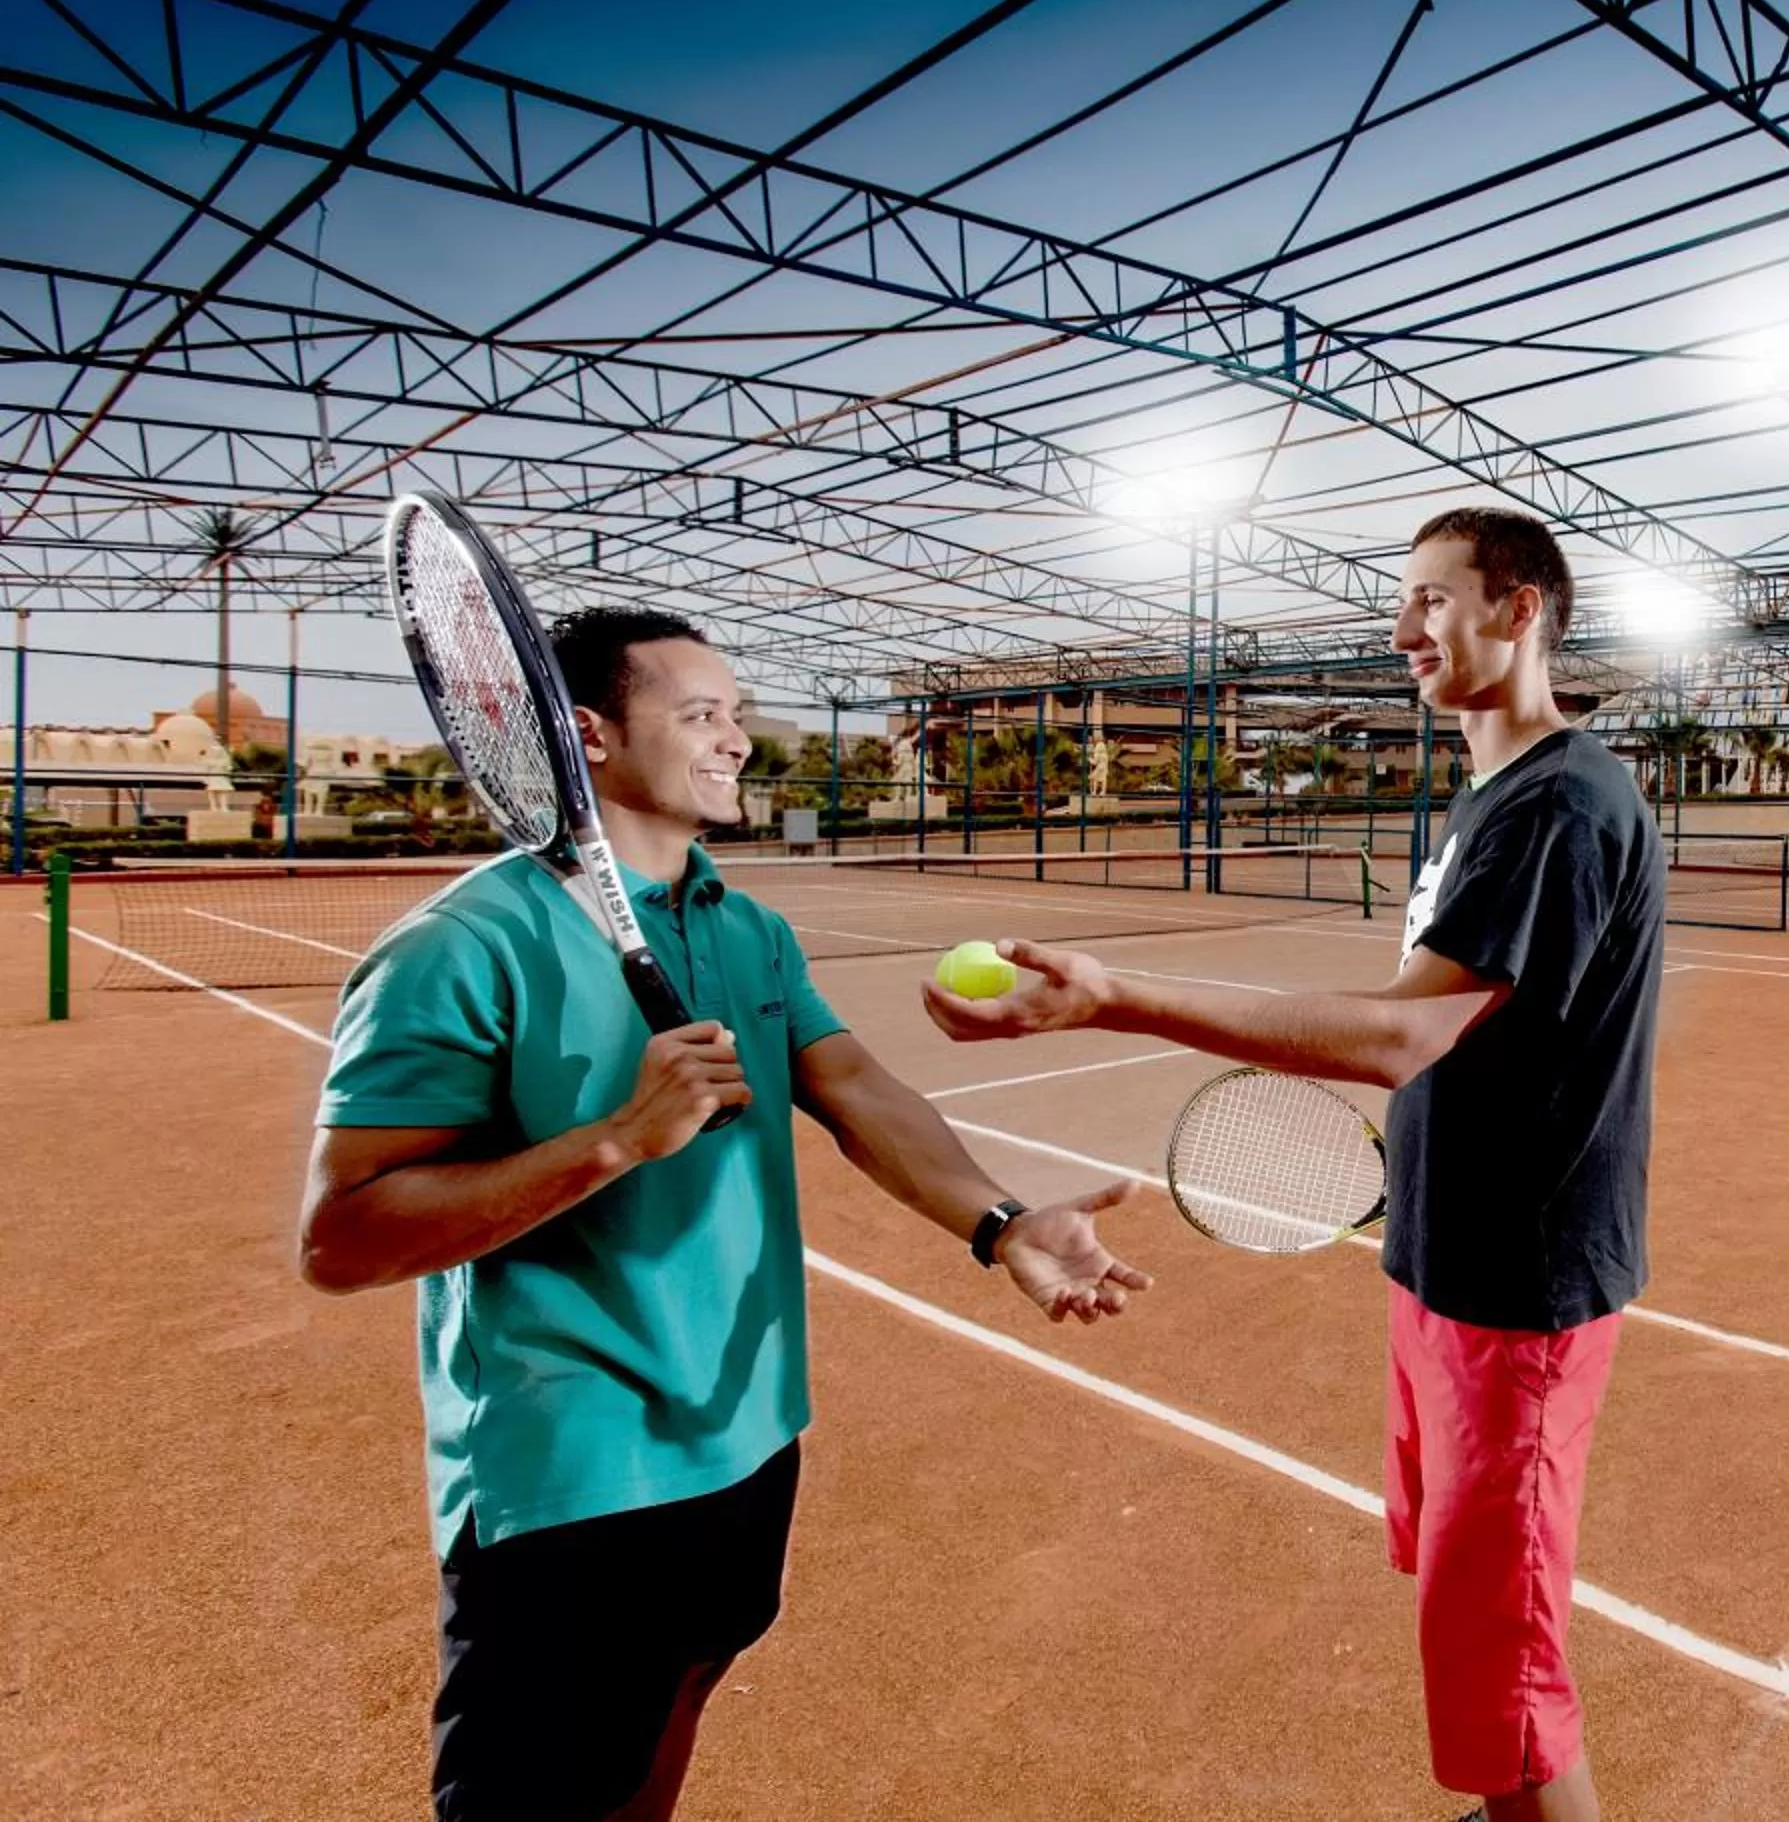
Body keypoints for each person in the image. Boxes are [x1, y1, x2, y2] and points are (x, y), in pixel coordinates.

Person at [298, 606, 1150, 1821]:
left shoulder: (746, 924)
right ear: (586, 735)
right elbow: (340, 1238)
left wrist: (1001, 1220)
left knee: (675, 1704)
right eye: (700, 715)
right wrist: (612, 1141)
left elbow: (853, 1085)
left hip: (747, 1427)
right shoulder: (459, 946)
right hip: (572, 1465)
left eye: (736, 714)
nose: (739, 740)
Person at [926, 509, 1665, 1822]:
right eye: (1404, 604)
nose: (1401, 632)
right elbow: (1461, 1038)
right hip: (1443, 1261)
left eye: (1434, 600)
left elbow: (1400, 1034)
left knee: (1507, 1660)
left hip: (1517, 1286)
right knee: (1470, 1611)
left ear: (1520, 611)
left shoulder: (1559, 800)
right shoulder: (1492, 798)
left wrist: (1113, 995)